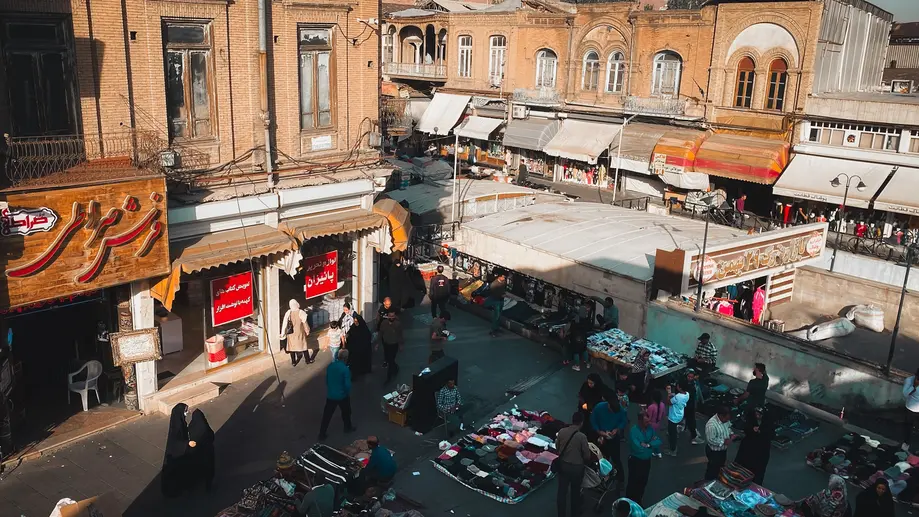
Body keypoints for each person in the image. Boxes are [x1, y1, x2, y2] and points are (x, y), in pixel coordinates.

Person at [556, 411, 591, 517]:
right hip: (577, 468)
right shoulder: (582, 437)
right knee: (575, 492)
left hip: (563, 465)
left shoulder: (562, 432)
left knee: (562, 492)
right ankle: (574, 513)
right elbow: (586, 456)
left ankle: (561, 514)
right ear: (581, 422)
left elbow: (557, 448)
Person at [591, 392, 627, 489]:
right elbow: (593, 421)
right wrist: (600, 433)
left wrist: (617, 429)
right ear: (608, 405)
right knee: (602, 459)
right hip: (602, 437)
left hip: (613, 438)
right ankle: (604, 479)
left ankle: (621, 480)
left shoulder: (620, 409)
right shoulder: (599, 408)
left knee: (616, 459)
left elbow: (623, 420)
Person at [626, 411, 661, 505]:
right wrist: (650, 445)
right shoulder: (634, 431)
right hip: (635, 461)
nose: (648, 424)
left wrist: (648, 444)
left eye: (649, 421)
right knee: (633, 482)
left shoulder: (650, 429)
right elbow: (637, 448)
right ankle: (629, 501)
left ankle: (639, 499)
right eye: (646, 422)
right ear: (640, 421)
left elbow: (658, 441)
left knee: (643, 481)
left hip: (646, 461)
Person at [318, 349, 355, 440]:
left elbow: (327, 380)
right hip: (342, 395)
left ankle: (322, 433)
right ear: (346, 358)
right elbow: (347, 384)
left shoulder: (331, 366)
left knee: (327, 414)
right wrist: (347, 392)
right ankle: (347, 427)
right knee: (346, 412)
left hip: (331, 395)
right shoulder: (345, 369)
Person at [734, 406, 774, 485]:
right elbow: (746, 428)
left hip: (761, 451)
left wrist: (761, 431)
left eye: (760, 415)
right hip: (748, 447)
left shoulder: (768, 422)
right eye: (756, 414)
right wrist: (752, 430)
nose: (757, 416)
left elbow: (771, 435)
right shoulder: (751, 419)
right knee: (742, 467)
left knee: (757, 471)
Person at [161, 403, 190, 497]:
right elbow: (177, 442)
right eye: (185, 410)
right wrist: (187, 444)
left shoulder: (178, 421)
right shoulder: (177, 426)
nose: (187, 413)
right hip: (177, 454)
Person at [704, 405, 737, 481]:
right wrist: (724, 441)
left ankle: (717, 481)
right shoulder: (711, 425)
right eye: (726, 419)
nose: (727, 421)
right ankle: (708, 483)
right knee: (712, 470)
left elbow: (728, 427)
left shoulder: (725, 420)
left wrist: (731, 434)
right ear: (721, 415)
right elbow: (711, 439)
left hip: (722, 450)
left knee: (720, 467)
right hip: (714, 452)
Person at [187, 408, 215, 492]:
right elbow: (211, 436)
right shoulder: (205, 427)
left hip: (196, 452)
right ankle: (208, 486)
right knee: (209, 468)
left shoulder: (191, 426)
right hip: (207, 452)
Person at [280, 299, 312, 366]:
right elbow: (305, 323)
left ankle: (293, 362)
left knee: (292, 348)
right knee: (304, 346)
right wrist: (307, 330)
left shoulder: (288, 312)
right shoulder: (301, 312)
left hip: (290, 333)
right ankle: (307, 360)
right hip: (300, 332)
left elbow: (284, 324)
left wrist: (283, 333)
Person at [378, 311, 403, 383]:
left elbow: (400, 334)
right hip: (386, 344)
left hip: (394, 344)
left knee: (391, 359)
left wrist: (401, 344)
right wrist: (378, 343)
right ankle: (395, 368)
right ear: (388, 316)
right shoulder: (384, 323)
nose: (392, 318)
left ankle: (389, 377)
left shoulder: (398, 324)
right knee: (389, 359)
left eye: (393, 316)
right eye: (390, 316)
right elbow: (381, 333)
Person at [483, 272, 507, 337]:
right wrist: (502, 295)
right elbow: (493, 294)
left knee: (499, 315)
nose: (504, 278)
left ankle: (497, 328)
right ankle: (493, 330)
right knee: (496, 316)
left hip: (501, 300)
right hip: (496, 301)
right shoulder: (494, 284)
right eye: (503, 277)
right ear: (499, 277)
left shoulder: (504, 282)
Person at [685, 369, 704, 446]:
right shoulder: (687, 385)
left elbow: (698, 393)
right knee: (691, 420)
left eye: (691, 377)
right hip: (688, 405)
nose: (690, 378)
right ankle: (694, 436)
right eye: (688, 376)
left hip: (692, 404)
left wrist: (701, 400)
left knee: (690, 419)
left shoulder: (694, 384)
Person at [903, 368, 919, 450]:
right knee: (908, 427)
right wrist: (914, 387)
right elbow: (905, 394)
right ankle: (906, 443)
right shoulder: (909, 380)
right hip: (911, 409)